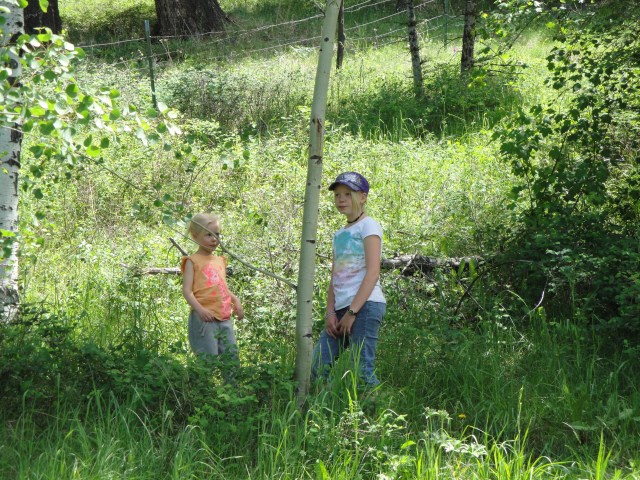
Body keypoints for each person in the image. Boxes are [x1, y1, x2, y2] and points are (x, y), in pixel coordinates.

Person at [312, 172, 386, 387]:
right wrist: (330, 312)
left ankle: (378, 416)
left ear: (362, 197)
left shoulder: (369, 226)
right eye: (337, 195)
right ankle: (322, 413)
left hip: (365, 306)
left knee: (362, 370)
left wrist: (352, 312)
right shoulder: (339, 234)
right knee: (319, 365)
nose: (341, 199)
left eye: (347, 194)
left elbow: (373, 272)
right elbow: (335, 277)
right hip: (341, 310)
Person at [181, 213, 244, 375]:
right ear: (195, 236)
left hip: (224, 317)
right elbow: (187, 291)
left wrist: (235, 300)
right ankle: (203, 395)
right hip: (205, 319)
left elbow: (221, 287)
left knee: (231, 359)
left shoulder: (219, 260)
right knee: (207, 361)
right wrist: (200, 310)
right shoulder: (192, 261)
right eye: (208, 234)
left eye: (217, 234)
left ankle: (232, 395)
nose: (214, 239)